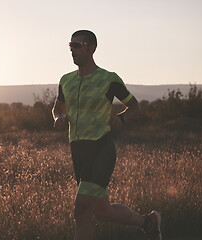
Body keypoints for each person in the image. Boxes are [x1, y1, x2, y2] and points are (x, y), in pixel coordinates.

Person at [52, 30, 162, 240]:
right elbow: (57, 108)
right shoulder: (66, 80)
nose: (72, 50)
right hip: (78, 151)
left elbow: (134, 107)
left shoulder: (108, 79)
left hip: (101, 148)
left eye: (77, 45)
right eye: (70, 45)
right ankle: (149, 222)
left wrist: (121, 119)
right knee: (102, 212)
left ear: (91, 48)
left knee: (81, 209)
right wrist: (58, 117)